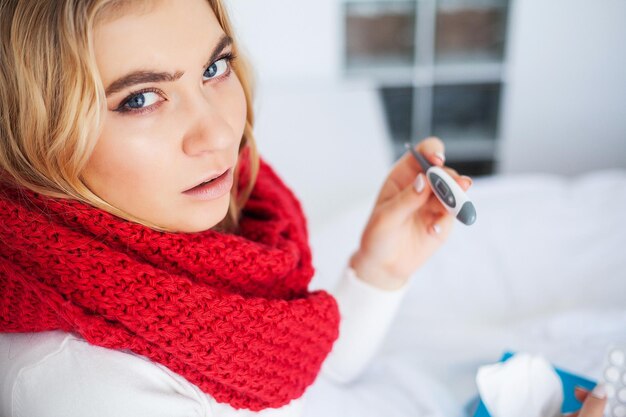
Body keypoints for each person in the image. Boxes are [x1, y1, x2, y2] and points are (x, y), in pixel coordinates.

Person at [0, 1, 606, 416]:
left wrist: (379, 268)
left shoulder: (186, 244)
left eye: (214, 68)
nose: (216, 132)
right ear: (38, 137)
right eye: (140, 99)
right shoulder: (83, 390)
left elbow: (287, 379)